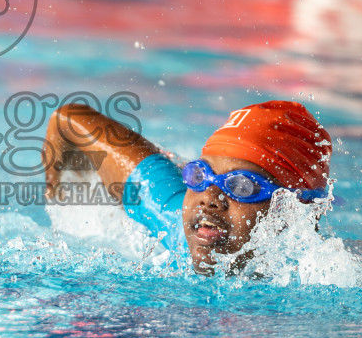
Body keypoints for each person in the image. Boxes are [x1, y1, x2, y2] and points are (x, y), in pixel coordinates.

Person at [42, 99, 331, 275]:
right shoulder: (167, 212)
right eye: (199, 175)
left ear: (294, 210)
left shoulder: (326, 273)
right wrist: (60, 209)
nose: (208, 198)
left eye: (242, 185)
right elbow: (68, 119)